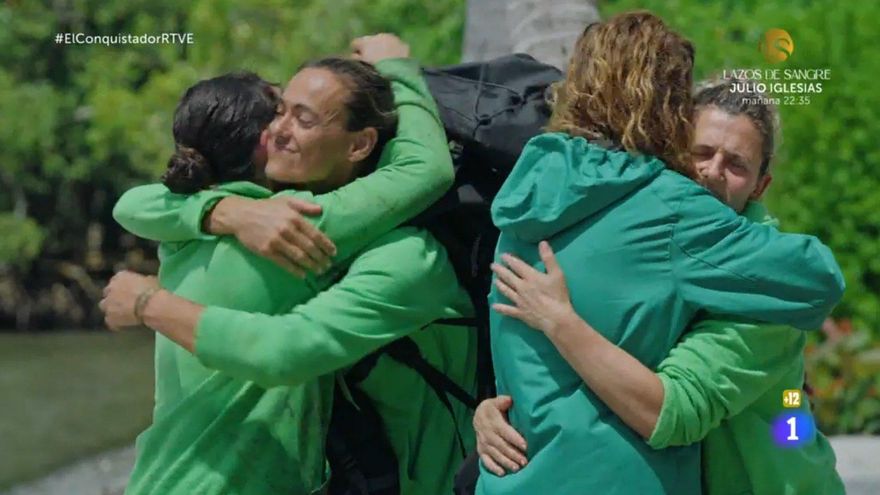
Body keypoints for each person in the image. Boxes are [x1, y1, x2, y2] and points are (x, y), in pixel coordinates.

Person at [475, 12, 845, 495]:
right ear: (671, 116)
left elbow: (673, 410)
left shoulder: (527, 201)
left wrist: (562, 324)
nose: (711, 172)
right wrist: (490, 410)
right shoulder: (666, 212)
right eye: (702, 150)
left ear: (762, 185)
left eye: (736, 164)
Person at [102, 34, 476, 495]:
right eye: (279, 112)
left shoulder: (187, 229)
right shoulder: (294, 222)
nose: (280, 129)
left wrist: (155, 293)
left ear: (360, 145)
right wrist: (400, 69)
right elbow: (423, 170)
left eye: (303, 117)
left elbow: (132, 204)